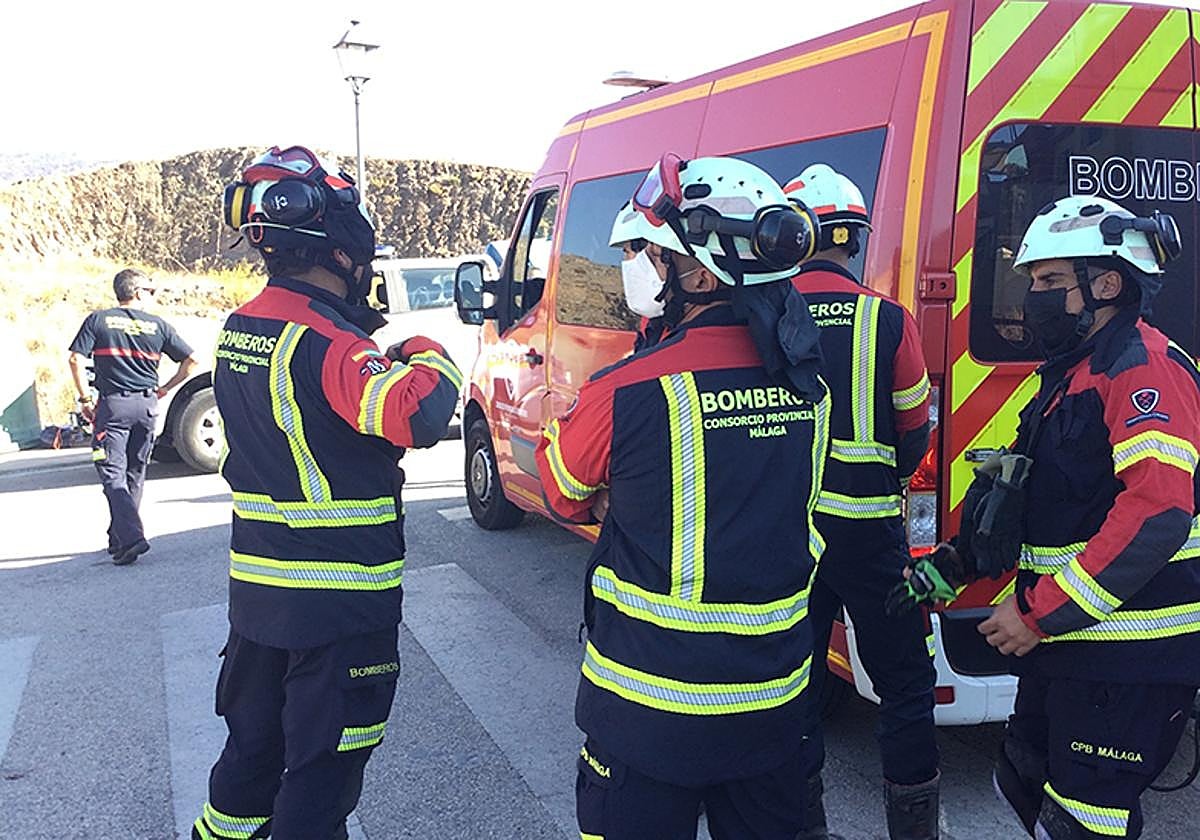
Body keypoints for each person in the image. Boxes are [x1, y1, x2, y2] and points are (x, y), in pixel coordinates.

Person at [538, 153, 832, 840]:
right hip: (773, 701)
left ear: (699, 274)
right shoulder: (808, 384)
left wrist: (619, 494)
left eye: (647, 251)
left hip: (647, 709)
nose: (633, 265)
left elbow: (562, 489)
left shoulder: (627, 386)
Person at [888, 196, 1200, 839]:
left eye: (1051, 280)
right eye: (1032, 280)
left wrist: (1036, 613)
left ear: (1106, 285)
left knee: (1085, 821)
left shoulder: (1143, 369)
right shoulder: (1072, 372)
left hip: (1129, 654)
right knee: (1022, 779)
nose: (1034, 296)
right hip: (1072, 645)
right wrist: (952, 566)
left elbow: (1158, 511)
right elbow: (1025, 493)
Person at [191, 146, 460, 840]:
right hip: (338, 611)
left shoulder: (241, 328)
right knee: (319, 782)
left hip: (260, 602)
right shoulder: (328, 340)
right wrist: (429, 353)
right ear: (340, 250)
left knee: (249, 763)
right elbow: (416, 414)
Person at [783, 164, 939, 839]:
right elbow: (914, 428)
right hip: (873, 537)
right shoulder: (889, 319)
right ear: (854, 237)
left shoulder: (767, 314)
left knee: (792, 685)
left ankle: (799, 824)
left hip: (791, 538)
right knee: (905, 685)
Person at [67, 268, 198, 565]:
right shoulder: (158, 325)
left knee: (112, 473)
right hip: (147, 406)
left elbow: (75, 358)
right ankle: (119, 538)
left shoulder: (98, 320)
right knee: (134, 474)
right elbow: (192, 360)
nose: (152, 296)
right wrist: (166, 388)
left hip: (113, 407)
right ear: (138, 293)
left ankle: (132, 538)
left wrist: (85, 399)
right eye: (150, 291)